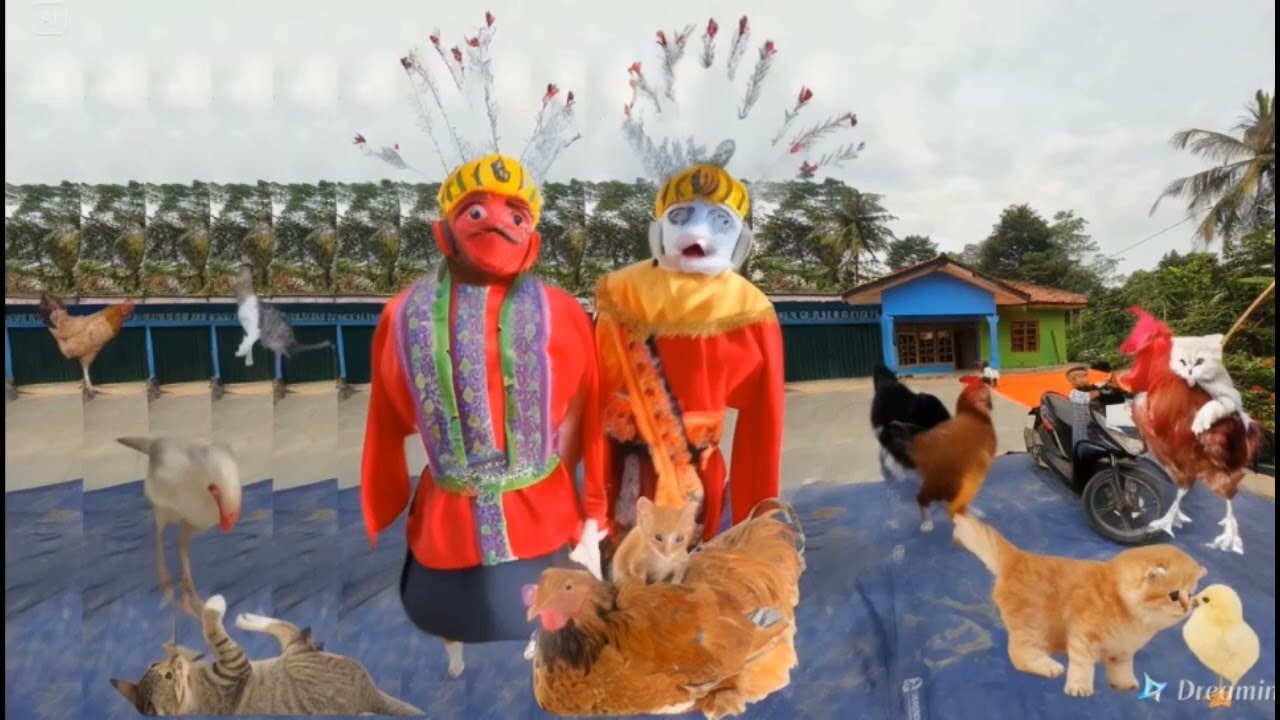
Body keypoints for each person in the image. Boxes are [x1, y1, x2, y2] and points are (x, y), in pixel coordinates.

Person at [355, 15, 604, 677]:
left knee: (553, 620)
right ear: (443, 232)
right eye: (476, 211)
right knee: (453, 613)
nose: (496, 222)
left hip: (544, 518)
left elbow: (588, 412)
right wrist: (384, 491)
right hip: (448, 528)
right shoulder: (402, 315)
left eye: (515, 214)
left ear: (534, 241)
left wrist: (588, 503)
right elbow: (386, 417)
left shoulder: (563, 312)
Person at [594, 19, 862, 554]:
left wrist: (757, 521)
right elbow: (588, 399)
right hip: (623, 477)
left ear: (741, 238)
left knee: (695, 573)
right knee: (622, 576)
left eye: (719, 221)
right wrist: (587, 508)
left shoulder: (748, 309)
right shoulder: (621, 295)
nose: (697, 233)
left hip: (698, 485)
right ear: (658, 227)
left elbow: (763, 425)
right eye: (681, 216)